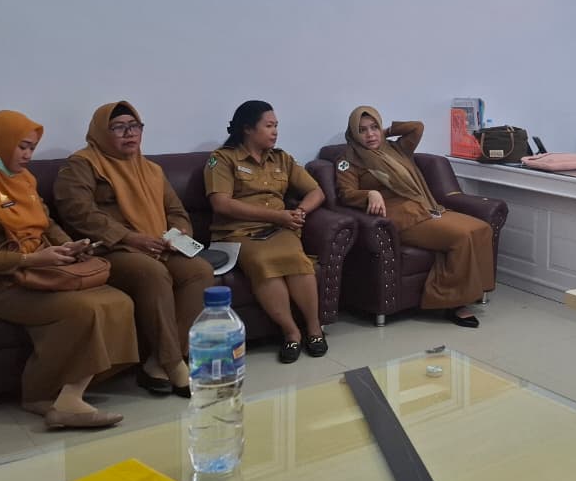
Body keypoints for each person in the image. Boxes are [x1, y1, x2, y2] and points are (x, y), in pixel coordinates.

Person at [0, 111, 137, 429]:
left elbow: (46, 223)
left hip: (40, 269)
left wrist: (70, 245)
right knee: (83, 309)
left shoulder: (23, 179)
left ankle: (67, 397)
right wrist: (27, 260)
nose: (28, 155)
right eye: (22, 147)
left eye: (32, 148)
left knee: (118, 301)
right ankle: (41, 395)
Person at [54, 101, 215, 398]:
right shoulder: (81, 165)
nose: (129, 133)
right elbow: (79, 212)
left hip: (157, 245)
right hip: (110, 249)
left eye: (134, 126)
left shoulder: (151, 169)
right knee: (152, 273)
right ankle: (174, 363)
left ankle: (158, 362)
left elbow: (176, 210)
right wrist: (129, 238)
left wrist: (179, 234)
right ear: (101, 132)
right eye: (118, 128)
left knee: (200, 271)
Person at [336, 106, 493, 327]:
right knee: (461, 237)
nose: (370, 134)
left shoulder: (397, 149)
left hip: (425, 208)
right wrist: (369, 194)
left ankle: (475, 290)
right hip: (400, 218)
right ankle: (452, 302)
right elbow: (346, 194)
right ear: (353, 133)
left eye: (374, 127)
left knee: (482, 229)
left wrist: (387, 132)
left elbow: (416, 128)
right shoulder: (348, 160)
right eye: (362, 130)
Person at [205, 101, 328, 363]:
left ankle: (314, 328)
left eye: (276, 126)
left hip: (279, 229)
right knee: (263, 261)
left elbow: (316, 191)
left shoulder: (282, 158)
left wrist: (300, 211)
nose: (275, 132)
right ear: (248, 129)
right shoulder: (223, 159)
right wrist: (277, 216)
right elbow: (221, 204)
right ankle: (291, 332)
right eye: (269, 126)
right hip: (238, 233)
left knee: (297, 259)